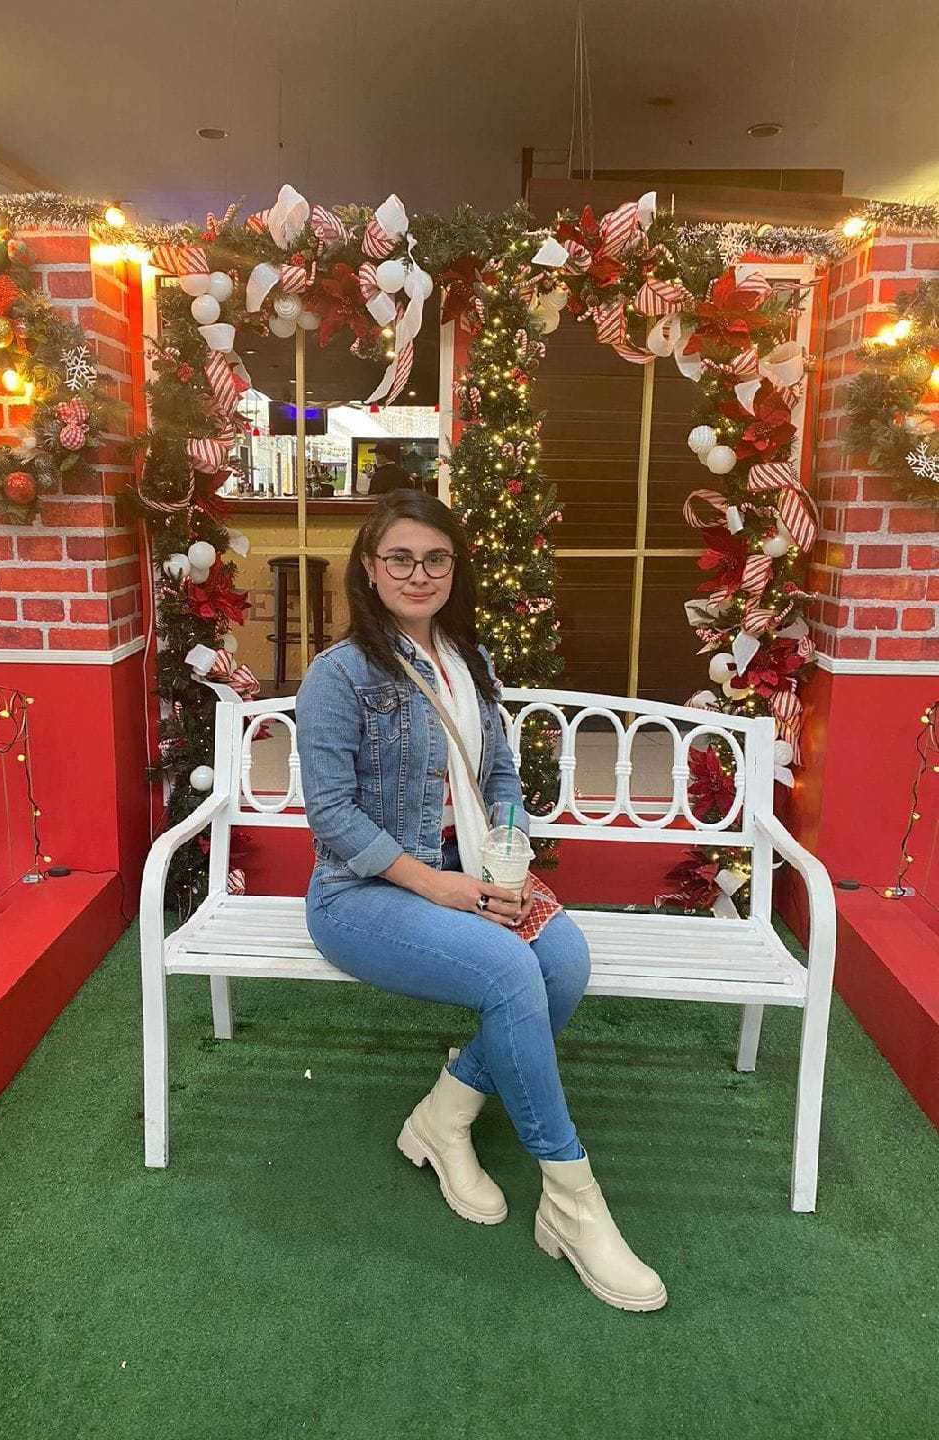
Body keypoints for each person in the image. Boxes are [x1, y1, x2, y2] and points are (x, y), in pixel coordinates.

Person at [295, 490, 667, 1312]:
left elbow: (500, 777)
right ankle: (573, 1200)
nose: (418, 574)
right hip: (363, 892)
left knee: (563, 965)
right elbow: (332, 814)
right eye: (399, 558)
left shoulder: (471, 661)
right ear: (369, 568)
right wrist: (442, 887)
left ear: (454, 568)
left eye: (436, 558)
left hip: (474, 867)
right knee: (509, 971)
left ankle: (446, 1112)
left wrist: (507, 864)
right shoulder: (340, 674)